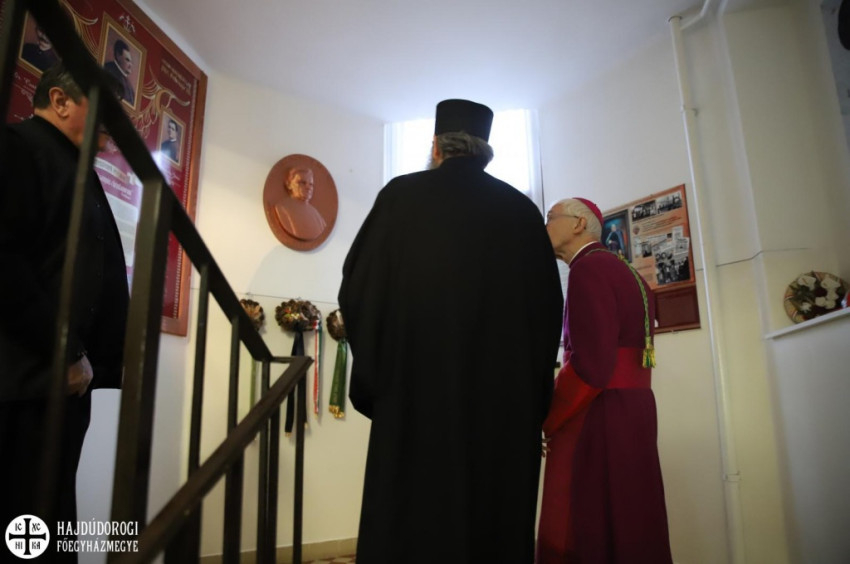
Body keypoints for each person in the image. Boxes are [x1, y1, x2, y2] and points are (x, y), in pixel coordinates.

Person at [339, 99, 563, 563]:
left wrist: (380, 380)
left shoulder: (400, 198)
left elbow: (360, 290)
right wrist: (530, 400)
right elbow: (547, 313)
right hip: (501, 414)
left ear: (436, 147)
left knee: (411, 522)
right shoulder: (522, 213)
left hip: (415, 404)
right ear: (486, 152)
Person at [0, 64, 129, 561]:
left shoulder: (76, 168)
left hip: (62, 380)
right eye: (105, 114)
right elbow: (6, 261)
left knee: (49, 515)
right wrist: (67, 351)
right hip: (24, 379)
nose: (112, 131)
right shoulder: (19, 149)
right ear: (60, 101)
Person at [537, 197, 672, 563]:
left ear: (579, 224)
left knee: (586, 518)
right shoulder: (623, 269)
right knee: (629, 515)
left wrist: (548, 418)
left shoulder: (588, 269)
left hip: (599, 412)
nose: (544, 226)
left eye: (550, 218)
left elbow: (591, 365)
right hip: (633, 410)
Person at [274, 167, 327, 241]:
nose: (308, 187)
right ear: (289, 185)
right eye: (302, 182)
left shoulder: (316, 214)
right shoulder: (283, 208)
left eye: (311, 184)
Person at [103, 39, 134, 105]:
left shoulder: (131, 89)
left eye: (131, 61)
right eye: (127, 60)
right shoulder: (107, 69)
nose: (130, 65)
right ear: (118, 56)